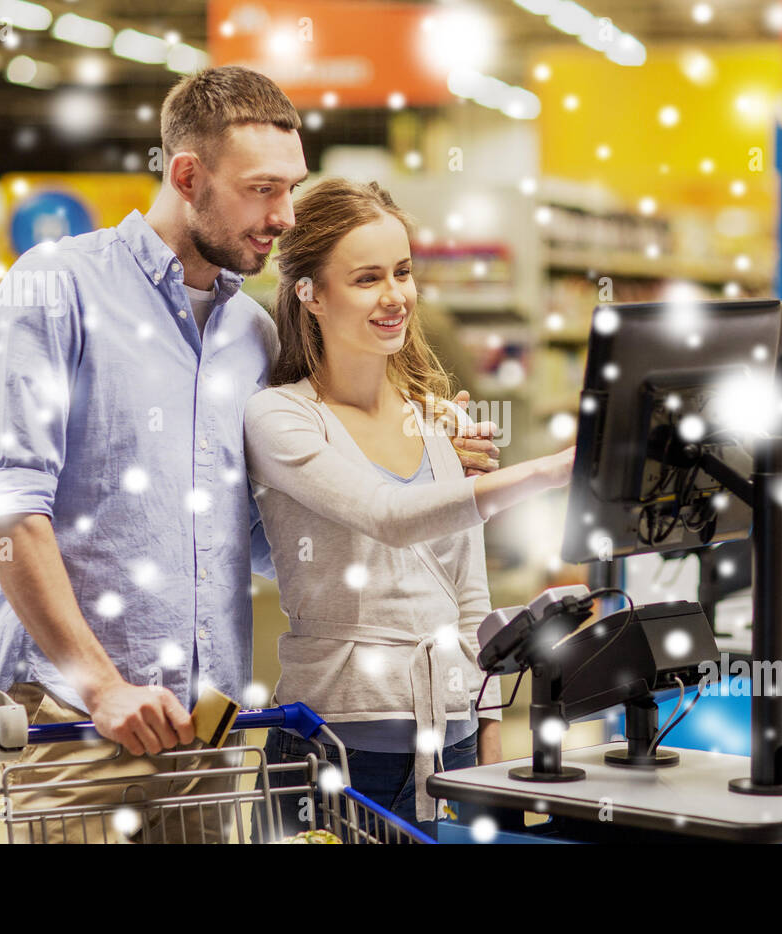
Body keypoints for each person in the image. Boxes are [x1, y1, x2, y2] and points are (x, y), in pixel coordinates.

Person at [0, 67, 497, 843]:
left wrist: (409, 455)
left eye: (293, 188)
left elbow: (273, 541)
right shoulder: (57, 290)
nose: (285, 216)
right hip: (76, 728)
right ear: (188, 175)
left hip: (210, 728)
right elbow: (9, 508)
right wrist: (102, 685)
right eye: (263, 190)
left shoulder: (254, 337)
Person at [244, 177, 575, 840]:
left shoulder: (435, 419)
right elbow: (388, 513)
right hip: (334, 748)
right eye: (367, 278)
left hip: (447, 749)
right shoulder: (281, 418)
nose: (395, 295)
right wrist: (551, 469)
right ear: (309, 292)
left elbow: (469, 596)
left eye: (402, 271)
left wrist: (486, 735)